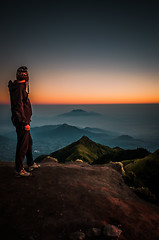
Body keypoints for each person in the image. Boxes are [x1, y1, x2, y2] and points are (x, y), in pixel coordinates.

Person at [8, 66, 40, 177]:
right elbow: (18, 106)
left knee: (28, 142)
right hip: (22, 121)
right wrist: (24, 122)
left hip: (22, 120)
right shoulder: (20, 88)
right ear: (26, 77)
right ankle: (19, 169)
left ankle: (30, 163)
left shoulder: (18, 86)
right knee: (22, 145)